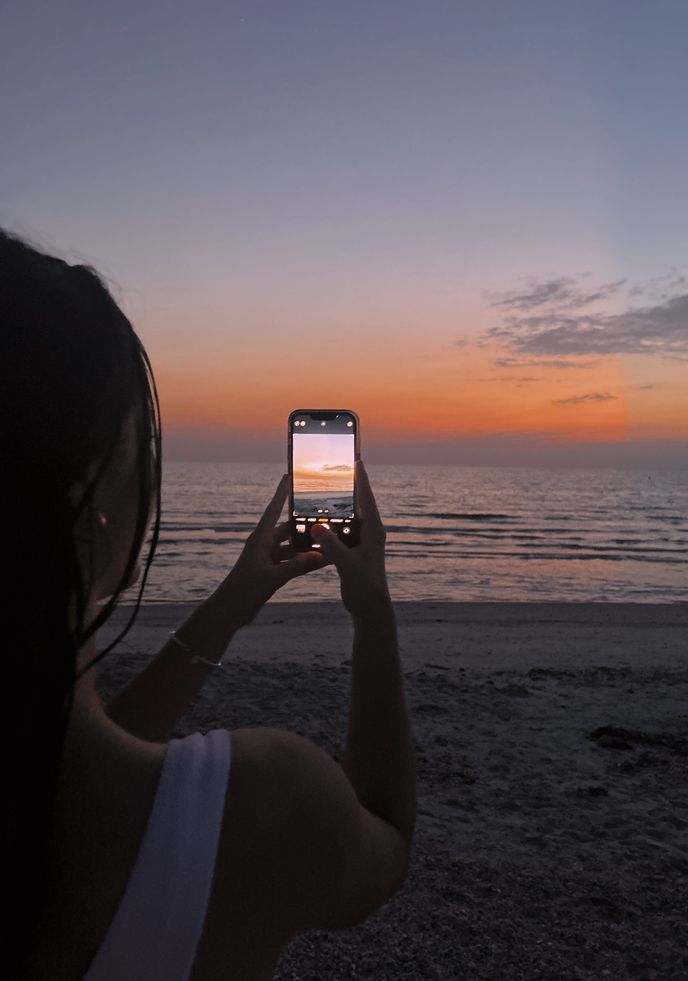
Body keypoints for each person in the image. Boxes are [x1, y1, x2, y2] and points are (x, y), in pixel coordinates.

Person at [1, 227, 416, 980]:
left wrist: (236, 597)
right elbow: (385, 836)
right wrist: (373, 604)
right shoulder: (266, 800)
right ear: (92, 498)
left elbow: (75, 757)